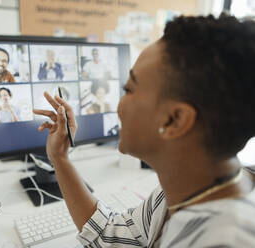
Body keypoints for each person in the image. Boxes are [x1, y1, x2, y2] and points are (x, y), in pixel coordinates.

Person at [33, 15, 255, 247]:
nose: (118, 105)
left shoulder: (227, 241)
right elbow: (112, 235)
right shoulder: (186, 185)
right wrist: (59, 157)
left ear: (174, 120)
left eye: (128, 89)